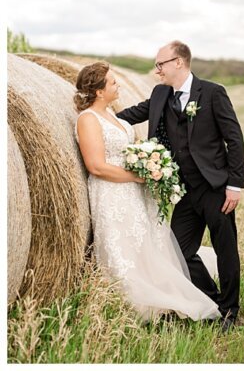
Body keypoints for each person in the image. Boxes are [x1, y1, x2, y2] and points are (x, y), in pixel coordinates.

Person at [74, 62, 220, 322]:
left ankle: (162, 293)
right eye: (113, 82)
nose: (118, 85)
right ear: (98, 91)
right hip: (111, 193)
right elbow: (96, 166)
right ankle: (131, 301)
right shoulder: (87, 120)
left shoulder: (113, 116)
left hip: (131, 190)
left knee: (144, 242)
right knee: (122, 246)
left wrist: (149, 166)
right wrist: (138, 177)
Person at [117, 41, 244, 332]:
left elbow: (234, 139)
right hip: (184, 191)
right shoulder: (160, 93)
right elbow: (136, 113)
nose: (157, 70)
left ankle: (231, 311)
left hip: (216, 188)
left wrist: (235, 185)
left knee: (225, 249)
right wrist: (100, 120)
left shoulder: (213, 93)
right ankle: (213, 300)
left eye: (160, 64)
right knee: (179, 251)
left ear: (179, 62)